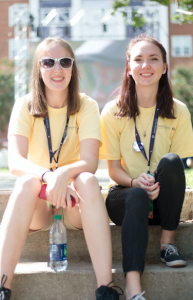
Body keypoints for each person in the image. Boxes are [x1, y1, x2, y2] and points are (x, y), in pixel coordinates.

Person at [0, 37, 123, 300]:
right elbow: (16, 162)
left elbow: (90, 161)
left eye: (64, 62)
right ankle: (2, 287)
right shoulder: (25, 104)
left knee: (88, 180)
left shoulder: (87, 105)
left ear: (73, 68)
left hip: (74, 201)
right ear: (39, 68)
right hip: (38, 206)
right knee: (25, 182)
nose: (57, 69)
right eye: (49, 62)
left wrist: (63, 175)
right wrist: (48, 177)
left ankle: (106, 288)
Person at [100, 35, 193, 300]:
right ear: (129, 66)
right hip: (127, 199)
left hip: (164, 203)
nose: (146, 65)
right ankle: (132, 287)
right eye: (138, 59)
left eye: (154, 59)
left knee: (172, 161)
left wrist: (156, 184)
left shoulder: (178, 111)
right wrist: (134, 183)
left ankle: (168, 244)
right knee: (138, 195)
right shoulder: (113, 111)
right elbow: (113, 170)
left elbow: (178, 171)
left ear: (164, 66)